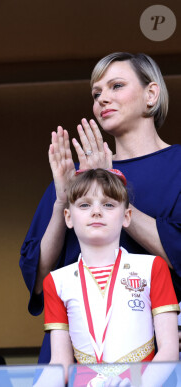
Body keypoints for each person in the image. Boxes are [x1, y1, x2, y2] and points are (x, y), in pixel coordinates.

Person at [19, 52, 181, 363]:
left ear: (151, 94)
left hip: (155, 356)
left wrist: (113, 190)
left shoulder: (177, 166)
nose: (102, 99)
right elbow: (38, 277)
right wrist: (62, 199)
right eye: (96, 93)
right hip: (75, 359)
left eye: (116, 86)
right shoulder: (79, 174)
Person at [41, 168, 178, 385]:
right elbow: (60, 362)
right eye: (85, 204)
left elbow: (169, 349)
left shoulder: (152, 267)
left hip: (143, 381)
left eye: (108, 204)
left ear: (126, 216)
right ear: (68, 217)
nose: (96, 211)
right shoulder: (56, 282)